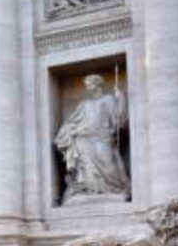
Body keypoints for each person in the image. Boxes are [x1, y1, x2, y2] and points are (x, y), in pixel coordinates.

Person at [54, 74, 129, 203]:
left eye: (90, 84)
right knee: (87, 167)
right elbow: (73, 121)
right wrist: (69, 131)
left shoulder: (108, 100)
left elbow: (117, 119)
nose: (88, 87)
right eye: (87, 85)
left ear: (97, 84)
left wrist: (121, 98)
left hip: (103, 136)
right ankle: (90, 189)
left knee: (108, 163)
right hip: (84, 138)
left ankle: (115, 188)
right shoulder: (85, 104)